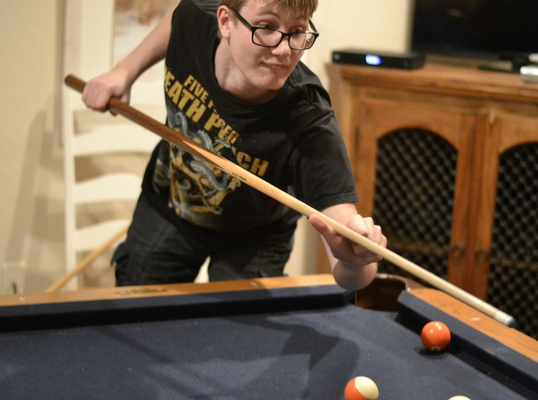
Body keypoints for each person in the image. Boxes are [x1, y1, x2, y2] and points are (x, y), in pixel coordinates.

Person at [81, 0, 387, 291]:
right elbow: (179, 18)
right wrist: (125, 70)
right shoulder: (194, 17)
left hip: (255, 238)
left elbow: (353, 270)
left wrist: (355, 261)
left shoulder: (309, 119)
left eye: (296, 31)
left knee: (236, 327)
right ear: (226, 21)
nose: (284, 50)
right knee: (138, 311)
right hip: (170, 204)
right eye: (266, 27)